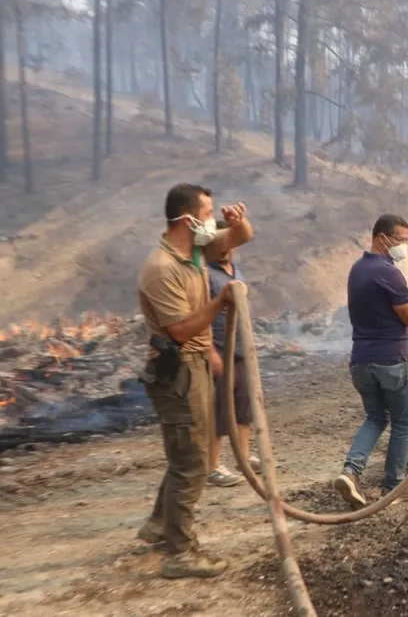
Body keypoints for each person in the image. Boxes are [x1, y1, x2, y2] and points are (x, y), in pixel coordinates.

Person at [134, 184, 253, 579]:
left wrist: (238, 223)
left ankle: (157, 525)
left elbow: (241, 238)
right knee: (193, 462)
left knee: (186, 453)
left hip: (198, 363)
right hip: (177, 371)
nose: (211, 219)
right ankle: (180, 552)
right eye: (207, 213)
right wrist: (221, 303)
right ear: (188, 220)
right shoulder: (162, 269)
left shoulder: (196, 251)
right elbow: (182, 330)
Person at [333, 214, 408, 509]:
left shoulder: (357, 269)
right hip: (392, 359)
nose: (403, 246)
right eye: (400, 240)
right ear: (382, 238)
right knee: (402, 421)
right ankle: (396, 484)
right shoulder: (389, 273)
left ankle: (351, 471)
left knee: (376, 417)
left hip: (361, 360)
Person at [205, 222, 261, 487]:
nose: (226, 249)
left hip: (240, 348)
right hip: (218, 348)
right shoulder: (204, 274)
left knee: (244, 407)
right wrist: (210, 351)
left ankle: (243, 457)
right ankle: (213, 466)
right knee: (217, 411)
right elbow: (199, 314)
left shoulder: (235, 270)